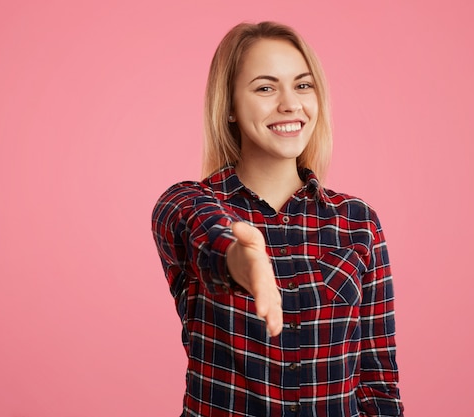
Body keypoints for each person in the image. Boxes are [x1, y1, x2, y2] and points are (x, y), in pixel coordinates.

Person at [151, 21, 403, 417]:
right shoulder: (188, 202)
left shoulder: (358, 222)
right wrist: (240, 259)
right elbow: (203, 231)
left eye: (303, 85)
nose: (290, 103)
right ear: (230, 107)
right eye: (266, 88)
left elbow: (377, 382)